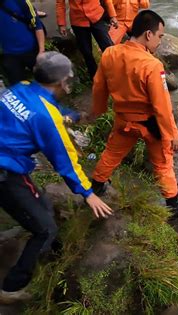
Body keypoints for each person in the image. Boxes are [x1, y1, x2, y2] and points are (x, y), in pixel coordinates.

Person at [0, 52, 113, 304]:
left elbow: (46, 109)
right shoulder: (46, 118)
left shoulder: (22, 87)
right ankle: (10, 288)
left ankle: (52, 248)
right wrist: (88, 193)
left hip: (7, 162)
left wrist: (74, 116)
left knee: (44, 207)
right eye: (68, 81)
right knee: (45, 228)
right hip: (6, 173)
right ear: (61, 83)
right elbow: (65, 161)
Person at [90, 10, 178, 217]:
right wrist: (172, 134)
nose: (159, 42)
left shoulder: (110, 54)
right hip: (149, 124)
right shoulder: (151, 64)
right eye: (160, 36)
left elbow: (98, 87)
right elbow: (162, 105)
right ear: (148, 34)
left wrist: (98, 110)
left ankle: (97, 184)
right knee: (163, 162)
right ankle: (173, 203)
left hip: (123, 120)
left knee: (112, 153)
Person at [56, 0, 118, 79]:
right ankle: (95, 79)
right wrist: (61, 24)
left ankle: (116, 72)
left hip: (96, 17)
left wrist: (112, 15)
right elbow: (60, 4)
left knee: (108, 47)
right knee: (87, 52)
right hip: (78, 21)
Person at [0, 0, 45, 85]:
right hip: (9, 54)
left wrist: (41, 51)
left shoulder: (20, 1)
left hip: (31, 49)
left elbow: (37, 25)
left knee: (45, 81)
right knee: (17, 87)